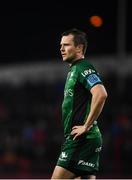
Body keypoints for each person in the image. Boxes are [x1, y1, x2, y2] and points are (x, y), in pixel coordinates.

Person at [51, 28, 108, 179]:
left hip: (81, 140)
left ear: (79, 47)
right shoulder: (74, 70)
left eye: (66, 45)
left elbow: (101, 94)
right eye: (61, 45)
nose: (61, 48)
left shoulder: (83, 67)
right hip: (87, 139)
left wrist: (86, 126)